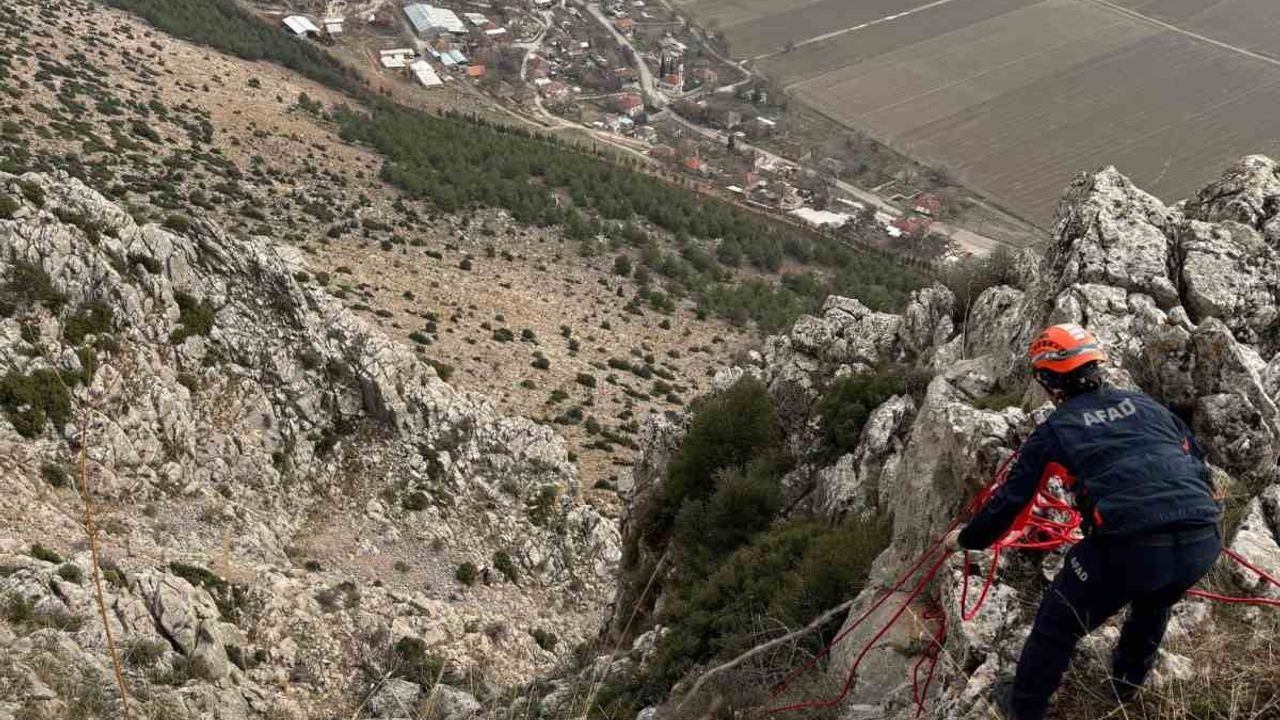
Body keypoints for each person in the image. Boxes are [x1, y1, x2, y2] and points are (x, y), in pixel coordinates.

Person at [945, 323, 1222, 720]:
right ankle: (1126, 683)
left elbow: (1011, 503)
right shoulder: (1148, 406)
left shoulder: (1055, 431)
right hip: (1203, 539)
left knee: (1058, 623)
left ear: (1047, 380)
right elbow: (1197, 463)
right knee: (1155, 598)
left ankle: (1025, 709)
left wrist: (968, 540)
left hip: (1130, 547)